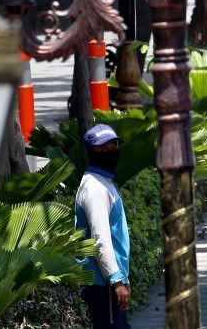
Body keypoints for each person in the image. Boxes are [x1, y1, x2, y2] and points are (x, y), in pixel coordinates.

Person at [76, 124, 131, 328]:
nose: (110, 151)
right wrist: (116, 280)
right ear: (91, 151)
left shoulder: (103, 182)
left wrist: (122, 277)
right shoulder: (95, 189)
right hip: (102, 284)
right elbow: (101, 240)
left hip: (107, 281)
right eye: (102, 148)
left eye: (113, 145)